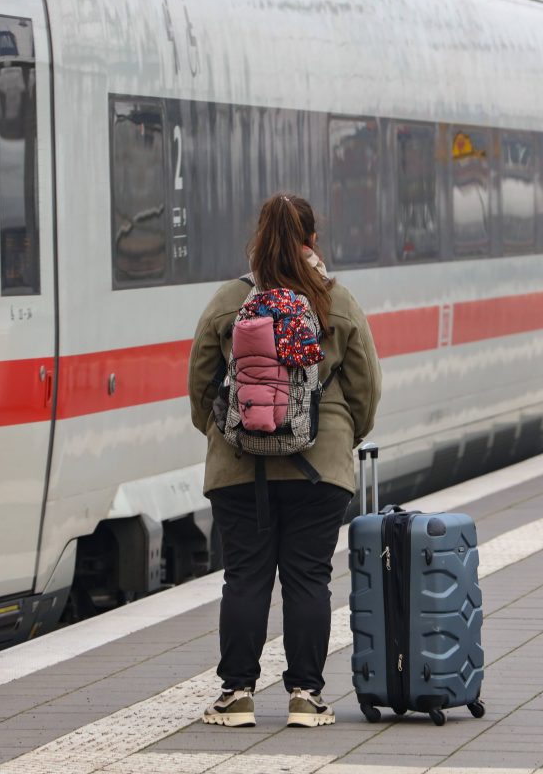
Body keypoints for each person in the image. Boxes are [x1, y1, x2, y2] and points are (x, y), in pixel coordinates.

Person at [187, 193, 381, 728]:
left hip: (237, 469)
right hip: (320, 473)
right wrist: (340, 438)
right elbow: (366, 386)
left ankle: (237, 696)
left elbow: (200, 382)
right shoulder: (335, 301)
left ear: (258, 238)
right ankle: (306, 698)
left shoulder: (231, 301)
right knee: (307, 580)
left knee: (245, 578)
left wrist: (228, 434)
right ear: (312, 239)